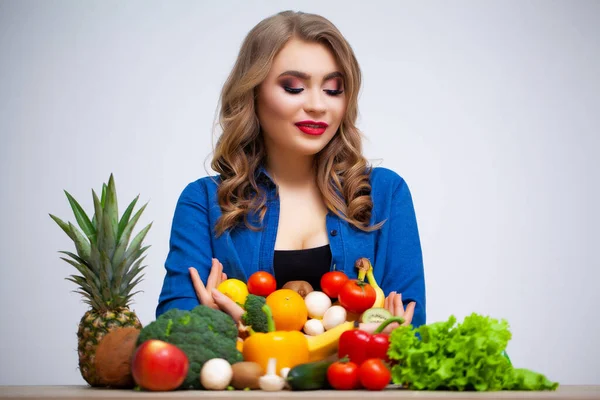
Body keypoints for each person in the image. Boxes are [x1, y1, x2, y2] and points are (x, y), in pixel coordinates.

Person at [156, 10, 426, 330]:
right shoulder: (203, 202)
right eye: (294, 87)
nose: (317, 105)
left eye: (333, 89)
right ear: (253, 93)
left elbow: (413, 329)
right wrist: (361, 338)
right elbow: (174, 330)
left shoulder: (385, 194)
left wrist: (234, 328)